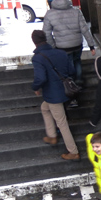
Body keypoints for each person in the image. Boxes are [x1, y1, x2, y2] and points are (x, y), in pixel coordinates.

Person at [30, 29, 80, 161]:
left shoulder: (38, 58)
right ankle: (51, 135)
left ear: (34, 42)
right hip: (65, 92)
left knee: (62, 123)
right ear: (46, 39)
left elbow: (40, 78)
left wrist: (35, 88)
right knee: (44, 108)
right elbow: (72, 70)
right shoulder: (60, 53)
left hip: (53, 96)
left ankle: (73, 152)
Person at [42, 0, 96, 105]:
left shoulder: (50, 14)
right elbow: (85, 29)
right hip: (77, 44)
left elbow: (46, 33)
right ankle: (79, 82)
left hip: (62, 47)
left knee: (67, 69)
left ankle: (73, 93)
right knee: (77, 62)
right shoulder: (76, 11)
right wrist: (91, 45)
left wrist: (53, 47)